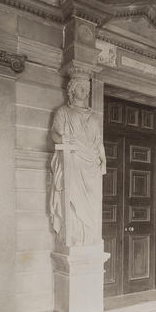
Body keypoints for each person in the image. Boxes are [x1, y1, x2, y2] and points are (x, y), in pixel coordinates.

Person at [50, 76, 106, 246]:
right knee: (74, 199)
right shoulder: (64, 112)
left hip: (92, 165)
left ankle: (90, 238)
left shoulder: (94, 116)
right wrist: (62, 140)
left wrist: (104, 161)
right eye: (81, 87)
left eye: (87, 87)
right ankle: (75, 237)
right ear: (72, 90)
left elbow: (99, 142)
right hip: (74, 159)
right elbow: (54, 133)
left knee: (93, 202)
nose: (85, 90)